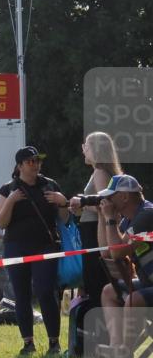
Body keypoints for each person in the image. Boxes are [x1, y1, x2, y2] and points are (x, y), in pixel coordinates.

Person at [0, 146, 70, 356]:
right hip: (16, 246)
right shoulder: (7, 189)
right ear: (19, 166)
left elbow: (64, 218)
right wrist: (11, 200)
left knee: (46, 291)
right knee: (22, 295)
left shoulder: (50, 185)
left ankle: (54, 343)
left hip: (45, 246)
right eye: (30, 161)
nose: (36, 164)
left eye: (38, 160)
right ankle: (28, 343)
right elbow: (1, 223)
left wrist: (62, 201)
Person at [96, 175, 153, 358]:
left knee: (132, 300)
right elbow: (106, 252)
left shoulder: (147, 215)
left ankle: (124, 356)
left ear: (125, 197)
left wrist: (110, 219)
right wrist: (102, 217)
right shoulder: (130, 220)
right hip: (148, 283)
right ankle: (116, 347)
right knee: (108, 292)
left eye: (111, 196)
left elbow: (118, 253)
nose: (108, 200)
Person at [69, 132, 122, 319]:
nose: (83, 149)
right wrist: (82, 209)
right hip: (94, 230)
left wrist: (81, 203)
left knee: (95, 282)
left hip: (95, 233)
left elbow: (104, 206)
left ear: (96, 150)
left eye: (87, 146)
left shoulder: (99, 172)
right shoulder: (101, 172)